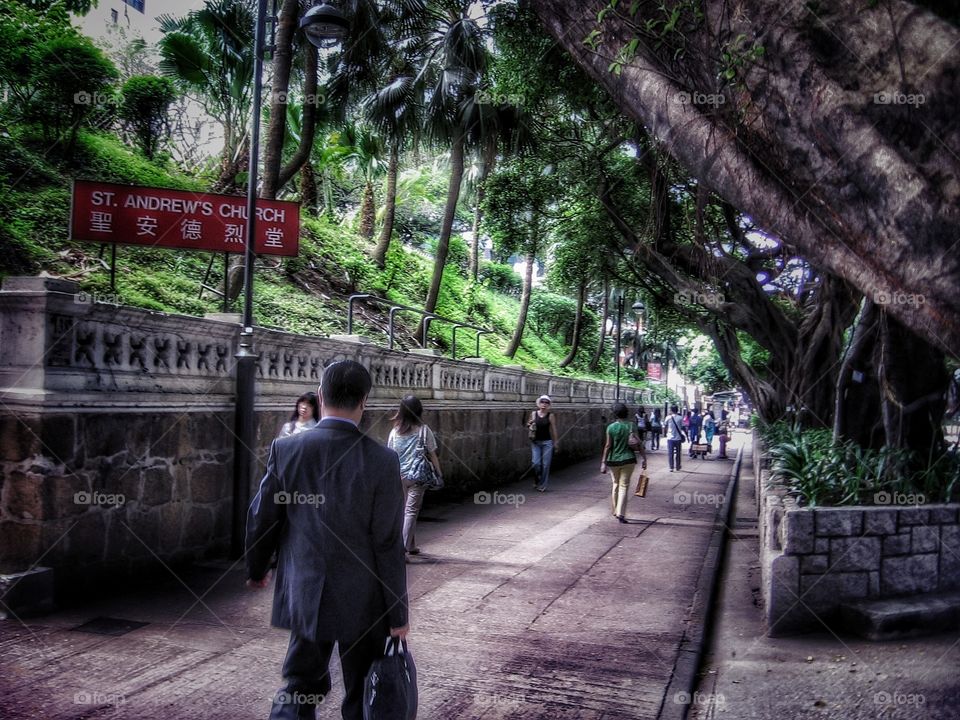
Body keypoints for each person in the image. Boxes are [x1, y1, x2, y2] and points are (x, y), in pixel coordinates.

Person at [245, 360, 409, 720]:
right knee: (363, 690)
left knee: (299, 685)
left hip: (305, 591)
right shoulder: (383, 460)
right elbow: (387, 544)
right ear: (364, 401)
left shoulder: (286, 450)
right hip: (364, 600)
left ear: (320, 396)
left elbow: (263, 518)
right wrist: (397, 612)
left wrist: (257, 568)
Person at [387, 395, 442, 557]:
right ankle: (403, 548)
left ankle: (411, 545)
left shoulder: (394, 432)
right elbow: (432, 455)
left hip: (399, 476)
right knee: (410, 511)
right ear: (419, 411)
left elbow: (390, 454)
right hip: (418, 476)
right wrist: (439, 473)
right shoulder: (424, 430)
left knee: (404, 511)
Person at [601, 402, 647, 523]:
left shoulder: (610, 427)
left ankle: (616, 511)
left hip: (613, 460)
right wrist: (644, 458)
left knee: (615, 484)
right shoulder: (631, 426)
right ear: (626, 412)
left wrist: (603, 462)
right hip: (628, 459)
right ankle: (621, 513)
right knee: (624, 486)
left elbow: (608, 446)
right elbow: (639, 443)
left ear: (614, 413)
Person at [529, 395, 559, 492]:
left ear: (549, 405)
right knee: (536, 463)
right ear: (539, 403)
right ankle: (537, 479)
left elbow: (553, 430)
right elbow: (528, 424)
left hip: (547, 442)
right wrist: (529, 424)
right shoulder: (534, 414)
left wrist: (556, 443)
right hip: (535, 442)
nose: (544, 404)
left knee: (546, 464)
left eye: (547, 403)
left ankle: (542, 484)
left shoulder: (550, 416)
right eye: (542, 402)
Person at [665, 405, 686, 472]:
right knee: (678, 453)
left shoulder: (668, 418)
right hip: (678, 438)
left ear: (671, 410)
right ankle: (678, 466)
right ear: (677, 410)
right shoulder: (680, 418)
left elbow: (665, 426)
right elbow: (683, 427)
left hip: (670, 438)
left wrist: (667, 433)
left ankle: (671, 467)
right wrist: (686, 435)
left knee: (670, 453)